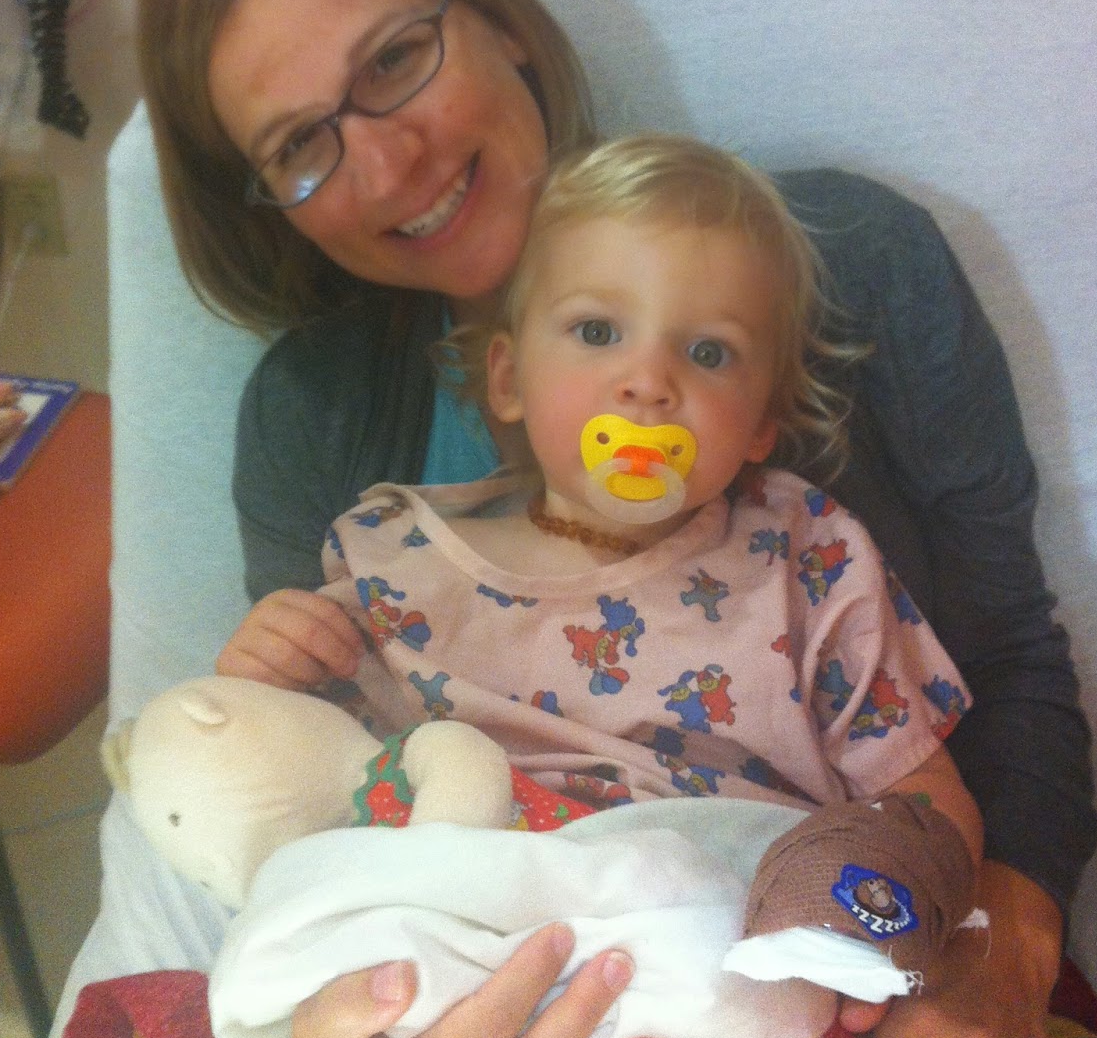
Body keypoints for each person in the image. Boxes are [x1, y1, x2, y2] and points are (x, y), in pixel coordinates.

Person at [138, 0, 1097, 1038]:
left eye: (395, 59)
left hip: (837, 1000)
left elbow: (1011, 671)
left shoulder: (848, 268)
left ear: (498, 21)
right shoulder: (317, 431)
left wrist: (990, 958)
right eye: (301, 142)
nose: (388, 162)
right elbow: (316, 805)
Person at [217, 129, 984, 970]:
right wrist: (264, 673)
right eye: (595, 331)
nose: (648, 381)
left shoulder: (806, 559)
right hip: (474, 963)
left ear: (762, 421)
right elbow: (305, 786)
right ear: (507, 378)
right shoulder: (390, 567)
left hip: (731, 952)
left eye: (707, 352)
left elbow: (922, 803)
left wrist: (852, 937)